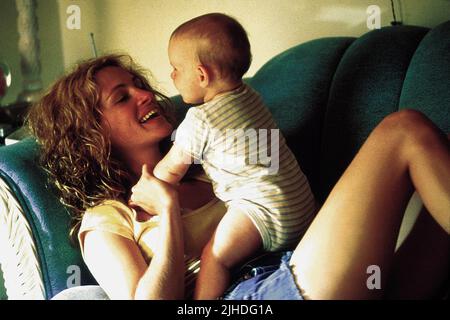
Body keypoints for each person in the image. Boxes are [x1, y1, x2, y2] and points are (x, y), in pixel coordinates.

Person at [27, 53, 449, 300]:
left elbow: (278, 178)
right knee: (403, 131)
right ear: (91, 134)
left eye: (139, 84)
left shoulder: (211, 163)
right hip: (252, 299)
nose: (145, 94)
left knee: (433, 203)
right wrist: (169, 211)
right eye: (123, 96)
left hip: (301, 262)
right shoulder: (105, 221)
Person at [145, 13, 316, 299]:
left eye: (176, 68)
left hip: (259, 211)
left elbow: (170, 171)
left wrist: (148, 182)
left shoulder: (200, 120)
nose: (172, 75)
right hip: (302, 204)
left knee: (215, 257)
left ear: (201, 75)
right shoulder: (251, 97)